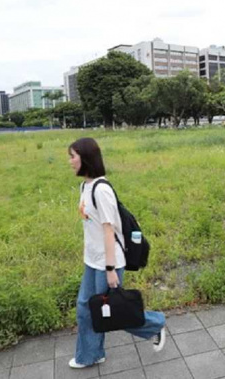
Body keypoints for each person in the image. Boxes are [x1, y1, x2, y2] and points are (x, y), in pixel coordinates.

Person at [67, 137, 166, 369]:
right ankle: (91, 354)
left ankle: (156, 323)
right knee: (85, 308)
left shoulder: (101, 190)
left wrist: (111, 269)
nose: (70, 161)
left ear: (86, 158)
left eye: (73, 156)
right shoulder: (85, 186)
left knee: (114, 311)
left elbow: (109, 232)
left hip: (108, 263)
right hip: (92, 260)